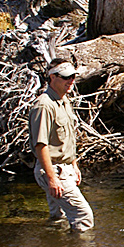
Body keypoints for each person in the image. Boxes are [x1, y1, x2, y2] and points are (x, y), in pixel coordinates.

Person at [27, 59, 94, 232]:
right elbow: (40, 145)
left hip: (65, 168)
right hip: (53, 171)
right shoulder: (44, 105)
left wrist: (74, 165)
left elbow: (68, 139)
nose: (70, 81)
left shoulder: (64, 101)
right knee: (83, 216)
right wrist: (51, 178)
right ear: (52, 77)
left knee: (59, 217)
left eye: (72, 77)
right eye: (65, 77)